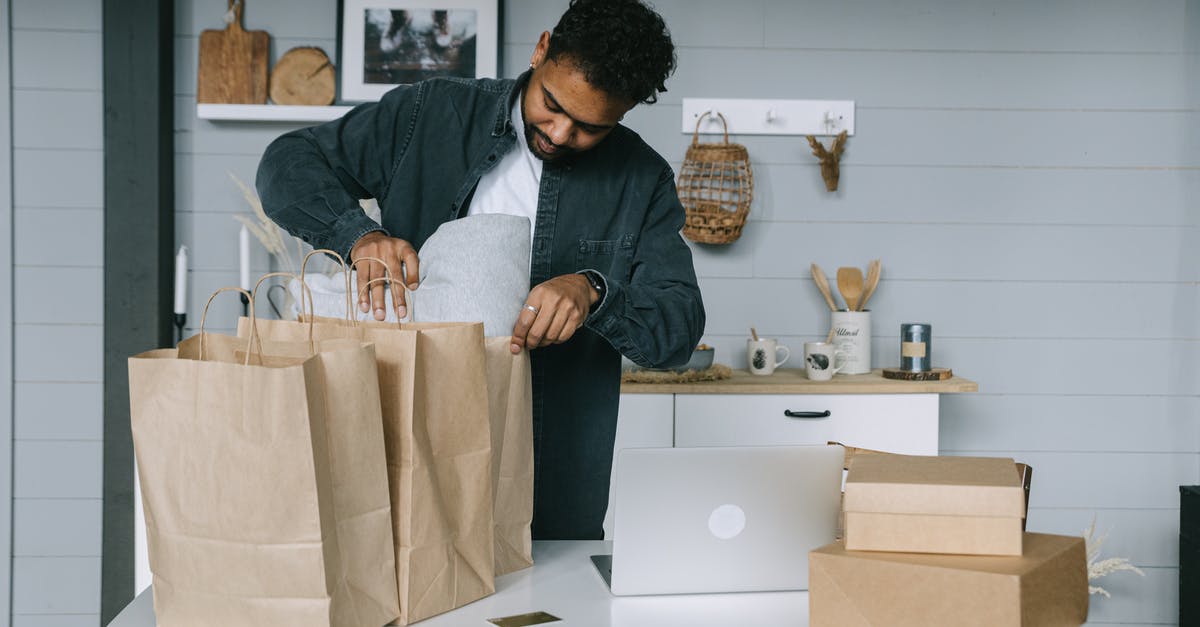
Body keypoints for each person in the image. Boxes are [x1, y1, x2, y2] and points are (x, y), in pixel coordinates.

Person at [256, 0, 705, 540]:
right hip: (399, 444)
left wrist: (593, 290)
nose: (560, 134)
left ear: (624, 112)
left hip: (552, 476)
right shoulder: (427, 114)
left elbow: (676, 330)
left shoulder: (642, 178)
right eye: (552, 105)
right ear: (541, 50)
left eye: (590, 128)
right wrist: (360, 235)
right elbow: (286, 165)